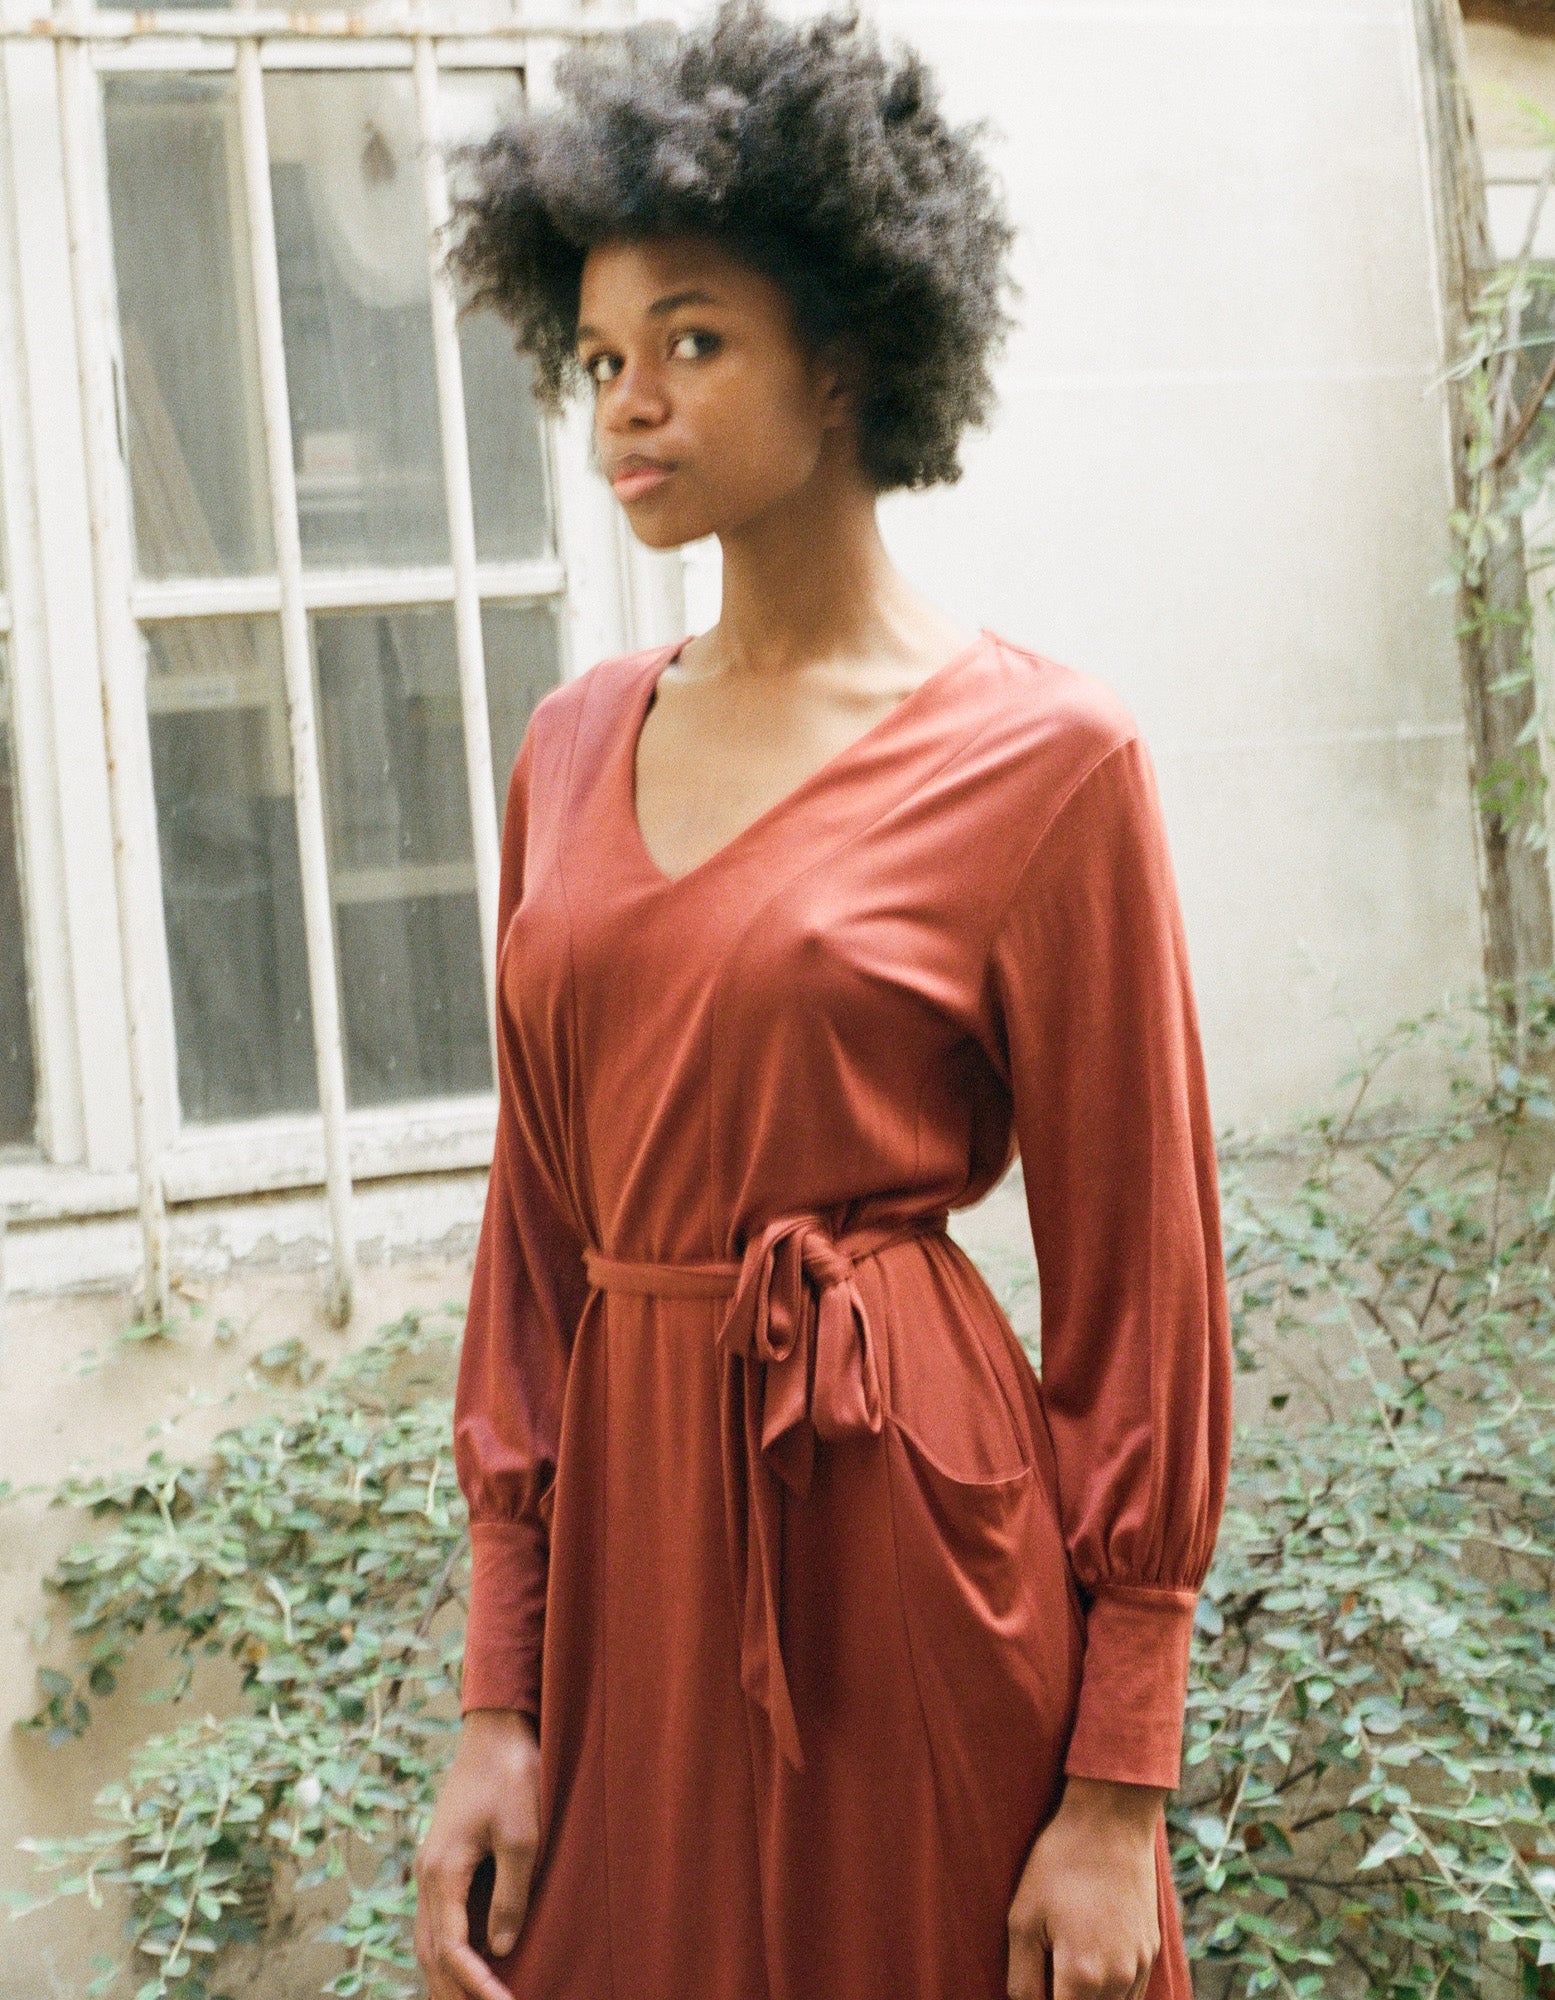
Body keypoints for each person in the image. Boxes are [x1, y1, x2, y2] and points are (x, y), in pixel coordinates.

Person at [413, 5, 1232, 1998]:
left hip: (912, 1558)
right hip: (631, 1562)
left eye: (692, 341)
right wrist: (495, 1703)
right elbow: (537, 1247)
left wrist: (1115, 1788)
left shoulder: (1048, 761)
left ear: (852, 350)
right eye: (600, 357)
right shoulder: (567, 746)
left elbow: (1142, 1284)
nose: (628, 404)